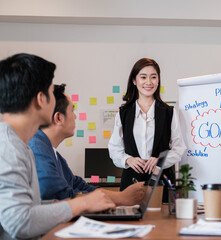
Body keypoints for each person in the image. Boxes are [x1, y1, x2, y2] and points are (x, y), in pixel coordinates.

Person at [0, 53, 116, 239]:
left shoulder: (19, 144)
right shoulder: (8, 148)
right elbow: (19, 222)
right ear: (41, 99)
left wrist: (55, 206)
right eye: (51, 92)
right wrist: (81, 204)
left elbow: (25, 209)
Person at [28, 84, 144, 205]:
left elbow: (79, 185)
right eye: (72, 110)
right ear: (58, 118)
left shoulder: (52, 153)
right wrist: (122, 198)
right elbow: (59, 196)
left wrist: (121, 196)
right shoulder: (37, 149)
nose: (75, 116)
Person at [108, 58, 186, 202]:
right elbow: (114, 149)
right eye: (143, 77)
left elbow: (179, 148)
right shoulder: (123, 113)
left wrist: (160, 160)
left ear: (158, 80)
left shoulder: (169, 113)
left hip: (161, 181)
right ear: (134, 80)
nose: (148, 82)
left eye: (153, 77)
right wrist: (128, 159)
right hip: (131, 182)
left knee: (163, 221)